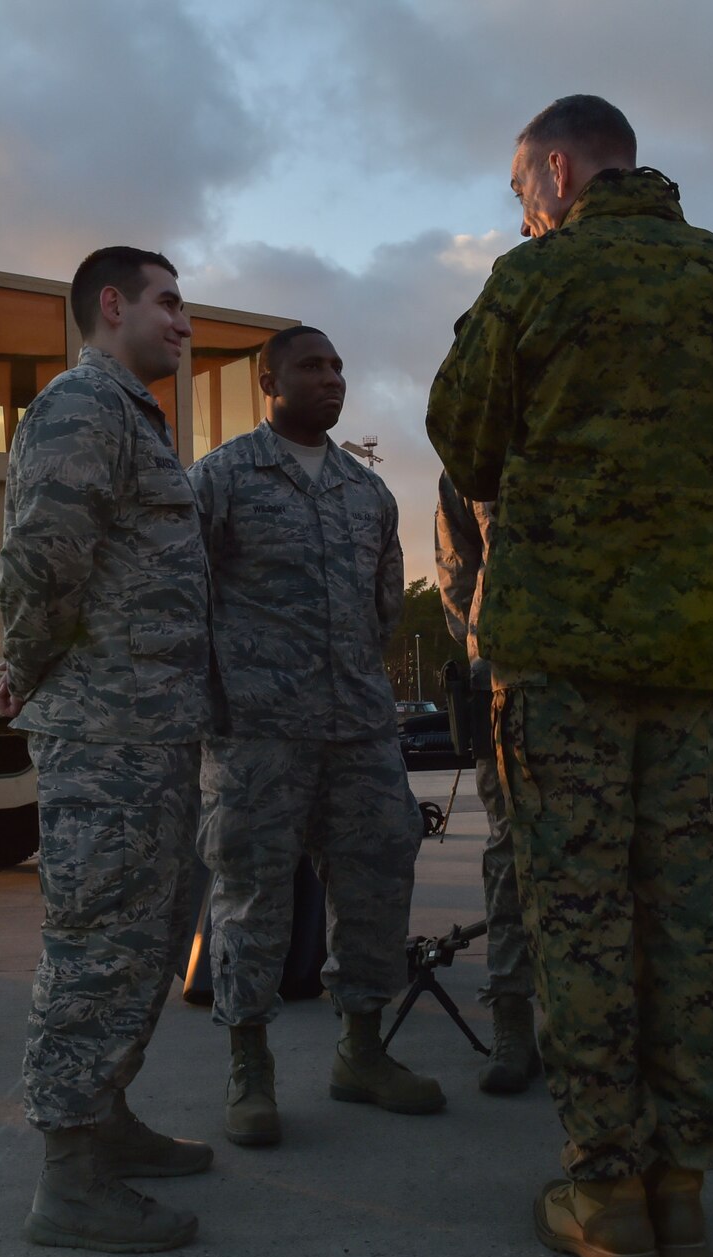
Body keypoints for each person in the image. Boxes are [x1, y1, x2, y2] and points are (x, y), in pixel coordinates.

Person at [426, 95, 713, 1257]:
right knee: (680, 919)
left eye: (518, 187)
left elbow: (461, 441)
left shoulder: (535, 276)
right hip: (693, 664)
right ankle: (679, 1185)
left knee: (579, 920)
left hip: (566, 662)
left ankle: (605, 1193)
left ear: (555, 170)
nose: (517, 208)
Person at [0, 245, 214, 1253]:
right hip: (105, 738)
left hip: (153, 734)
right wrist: (28, 667)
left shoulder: (134, 419)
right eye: (167, 303)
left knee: (145, 943)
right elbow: (45, 560)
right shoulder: (81, 410)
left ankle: (108, 1118)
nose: (183, 323)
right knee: (96, 949)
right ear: (111, 304)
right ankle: (69, 1177)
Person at [191, 325, 439, 1149]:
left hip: (359, 729)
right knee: (253, 899)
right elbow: (184, 600)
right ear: (270, 381)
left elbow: (384, 607)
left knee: (376, 882)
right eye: (311, 366)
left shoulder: (366, 492)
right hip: (259, 734)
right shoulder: (221, 480)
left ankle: (362, 1052)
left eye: (338, 366)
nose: (331, 379)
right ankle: (249, 1068)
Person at [434, 471, 542, 1094]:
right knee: (509, 853)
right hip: (508, 680)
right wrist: (484, 647)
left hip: (611, 673)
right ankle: (512, 1020)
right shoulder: (479, 443)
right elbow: (456, 569)